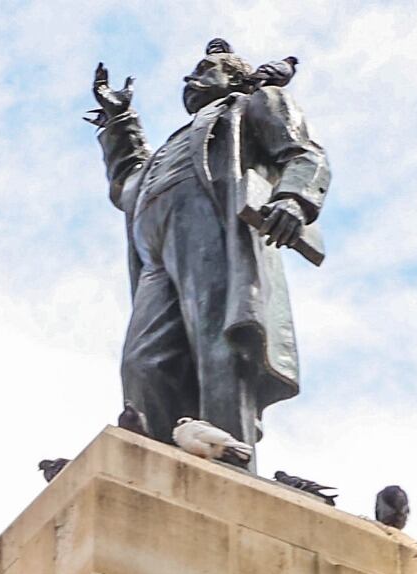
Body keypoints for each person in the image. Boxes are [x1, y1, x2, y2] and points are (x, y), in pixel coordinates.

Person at [87, 39, 330, 460]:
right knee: (143, 362)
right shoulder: (175, 143)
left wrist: (294, 199)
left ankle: (229, 464)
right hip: (155, 253)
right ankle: (161, 461)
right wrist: (119, 120)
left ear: (235, 78)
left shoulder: (251, 106)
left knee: (221, 345)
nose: (190, 77)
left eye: (206, 68)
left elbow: (304, 153)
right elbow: (128, 185)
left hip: (211, 230)